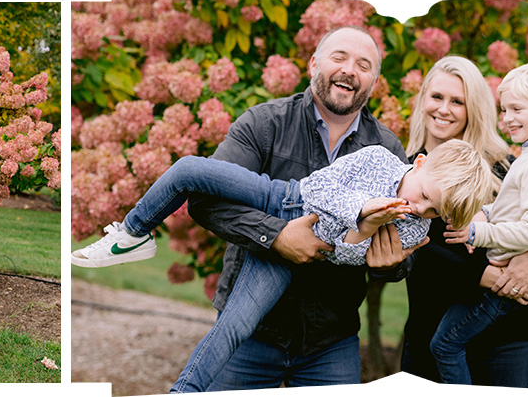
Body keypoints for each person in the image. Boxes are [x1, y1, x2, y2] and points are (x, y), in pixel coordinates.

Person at [72, 26, 412, 391]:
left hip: (330, 340)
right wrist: (276, 236)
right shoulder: (264, 123)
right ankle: (133, 234)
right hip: (252, 335)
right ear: (314, 63)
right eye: (339, 57)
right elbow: (205, 200)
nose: (350, 70)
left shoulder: (386, 150)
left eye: (364, 65)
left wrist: (391, 265)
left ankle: (132, 234)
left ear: (373, 83)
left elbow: (405, 249)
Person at [74, 139, 495, 391]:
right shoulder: (380, 159)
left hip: (304, 256)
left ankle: (182, 391)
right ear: (419, 163)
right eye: (423, 194)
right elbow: (321, 187)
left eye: (430, 211)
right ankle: (134, 233)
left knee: (235, 325)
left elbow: (347, 257)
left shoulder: (409, 230)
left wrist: (364, 232)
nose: (417, 207)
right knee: (189, 170)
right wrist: (366, 208)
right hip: (282, 197)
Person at [398, 55, 528, 387]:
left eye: (458, 101)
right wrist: (488, 276)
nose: (444, 109)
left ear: (475, 108)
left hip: (509, 338)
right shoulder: (406, 172)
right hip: (435, 330)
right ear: (423, 99)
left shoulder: (505, 164)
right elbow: (416, 252)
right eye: (437, 97)